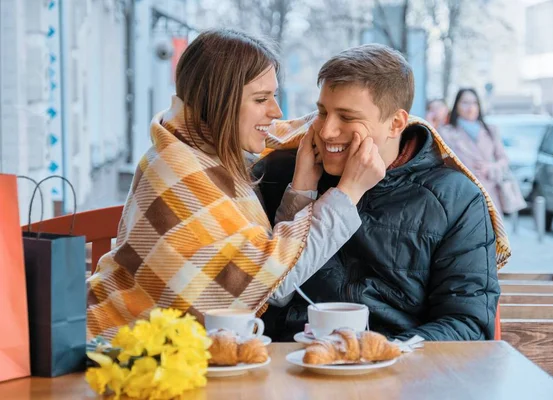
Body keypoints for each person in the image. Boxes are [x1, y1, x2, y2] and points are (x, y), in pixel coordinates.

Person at [86, 29, 386, 340]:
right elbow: (270, 280)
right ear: (219, 102)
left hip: (166, 350)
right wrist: (348, 193)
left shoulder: (208, 155)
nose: (276, 112)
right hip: (114, 345)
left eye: (274, 95)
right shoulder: (177, 169)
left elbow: (267, 281)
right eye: (261, 99)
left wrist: (302, 186)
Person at [257, 45, 509, 342]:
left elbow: (467, 324)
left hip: (403, 373)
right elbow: (262, 293)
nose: (326, 132)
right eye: (323, 112)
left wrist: (379, 355)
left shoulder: (456, 198)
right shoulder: (281, 173)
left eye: (347, 117)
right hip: (292, 365)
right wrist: (300, 191)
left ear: (397, 123)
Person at [439, 88, 524, 214]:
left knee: (492, 232)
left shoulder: (490, 130)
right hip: (461, 196)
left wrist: (490, 167)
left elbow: (504, 160)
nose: (470, 107)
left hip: (490, 196)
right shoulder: (446, 132)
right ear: (456, 105)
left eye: (474, 103)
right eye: (465, 102)